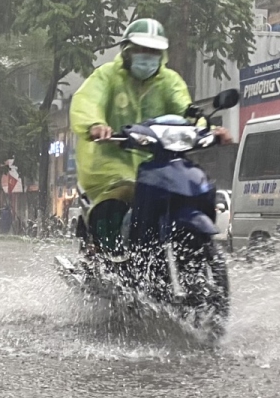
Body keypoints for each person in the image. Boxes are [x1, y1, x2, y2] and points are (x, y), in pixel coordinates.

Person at [69, 17, 231, 250]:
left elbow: (186, 111)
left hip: (158, 163)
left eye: (154, 51)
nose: (148, 55)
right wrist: (95, 125)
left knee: (192, 188)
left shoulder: (169, 81)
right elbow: (87, 101)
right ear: (126, 50)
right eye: (141, 49)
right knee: (119, 198)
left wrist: (210, 130)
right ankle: (110, 253)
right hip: (108, 164)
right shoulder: (106, 76)